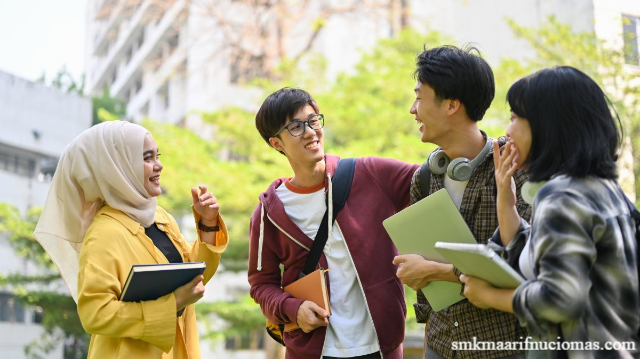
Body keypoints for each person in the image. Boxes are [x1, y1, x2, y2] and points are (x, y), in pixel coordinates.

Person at [460, 66, 640, 358]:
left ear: (548, 124)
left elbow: (561, 297)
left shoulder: (562, 195)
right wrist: (505, 201)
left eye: (515, 117)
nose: (507, 130)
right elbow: (543, 261)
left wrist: (489, 296)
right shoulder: (603, 189)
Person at [33, 120, 228, 358]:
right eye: (147, 158)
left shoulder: (159, 217)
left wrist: (208, 223)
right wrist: (172, 303)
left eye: (158, 156)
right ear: (118, 167)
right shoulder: (103, 233)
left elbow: (196, 276)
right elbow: (95, 313)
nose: (159, 166)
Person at [248, 87, 418, 359]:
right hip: (311, 350)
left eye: (313, 121)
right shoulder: (268, 213)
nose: (310, 131)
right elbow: (261, 286)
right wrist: (293, 309)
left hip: (381, 346)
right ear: (276, 143)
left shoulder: (369, 175)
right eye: (295, 126)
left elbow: (433, 180)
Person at [392, 45, 532, 359]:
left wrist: (435, 270)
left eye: (419, 97)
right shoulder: (425, 177)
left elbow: (521, 264)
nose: (413, 109)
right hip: (441, 345)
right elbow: (424, 277)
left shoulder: (514, 167)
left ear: (452, 104)